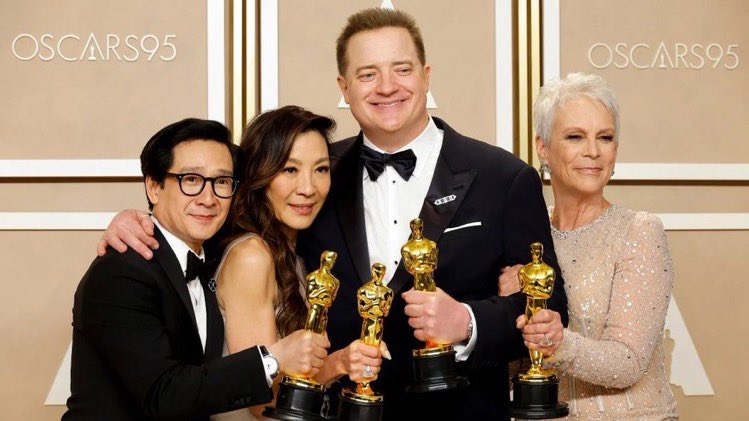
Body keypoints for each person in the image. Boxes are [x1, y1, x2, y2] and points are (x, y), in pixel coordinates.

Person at [97, 9, 568, 420]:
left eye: (401, 69)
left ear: (426, 76)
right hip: (333, 411)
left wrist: (467, 321)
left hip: (461, 412)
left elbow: (550, 309)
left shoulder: (504, 177)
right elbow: (221, 218)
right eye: (367, 74)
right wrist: (140, 221)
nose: (387, 87)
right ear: (344, 87)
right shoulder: (317, 172)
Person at [63, 118, 329, 420]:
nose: (208, 198)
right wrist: (271, 359)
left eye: (222, 182)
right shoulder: (121, 273)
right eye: (190, 179)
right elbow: (163, 395)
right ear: (154, 187)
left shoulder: (209, 256)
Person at [498, 73, 678, 419]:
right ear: (543, 147)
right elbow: (511, 369)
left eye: (605, 138)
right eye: (575, 136)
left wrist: (557, 340)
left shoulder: (639, 232)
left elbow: (628, 362)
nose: (593, 151)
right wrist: (508, 310)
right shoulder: (524, 237)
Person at [210, 106, 388, 420]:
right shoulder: (251, 256)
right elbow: (263, 402)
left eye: (320, 169)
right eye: (290, 170)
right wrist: (338, 363)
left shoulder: (295, 251)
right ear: (260, 174)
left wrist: (342, 361)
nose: (308, 188)